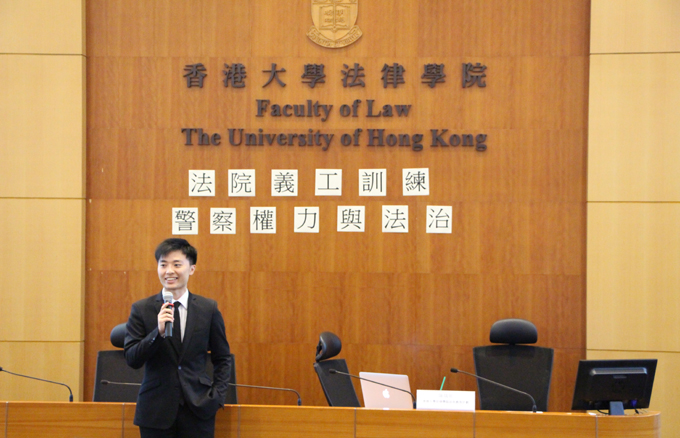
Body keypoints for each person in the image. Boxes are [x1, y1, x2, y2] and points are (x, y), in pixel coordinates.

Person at [124, 238, 231, 438]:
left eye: (176, 264)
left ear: (191, 269)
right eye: (163, 265)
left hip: (199, 408)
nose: (169, 271)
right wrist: (158, 333)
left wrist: (216, 397)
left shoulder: (208, 309)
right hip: (155, 410)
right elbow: (132, 359)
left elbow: (223, 358)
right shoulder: (142, 309)